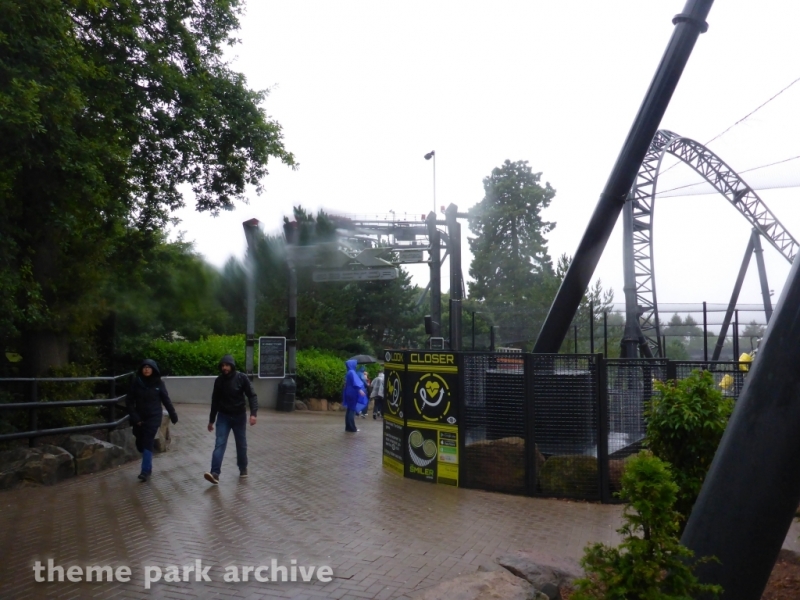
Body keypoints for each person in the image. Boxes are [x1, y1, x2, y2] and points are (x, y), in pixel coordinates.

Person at [204, 355, 258, 484]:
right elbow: (215, 401)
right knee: (220, 443)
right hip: (223, 417)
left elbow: (252, 395)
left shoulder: (241, 378)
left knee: (241, 443)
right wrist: (211, 420)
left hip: (239, 416)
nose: (225, 368)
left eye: (227, 365)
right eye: (223, 366)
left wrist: (253, 414)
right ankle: (215, 473)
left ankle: (243, 467)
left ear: (232, 366)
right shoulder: (219, 381)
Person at [126, 359, 178, 482]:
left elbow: (166, 400)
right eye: (144, 367)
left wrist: (173, 414)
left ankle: (144, 471)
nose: (147, 369)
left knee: (148, 441)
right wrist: (135, 418)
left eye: (149, 367)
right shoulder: (136, 383)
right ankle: (148, 466)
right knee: (140, 444)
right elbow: (129, 402)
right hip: (139, 417)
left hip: (154, 417)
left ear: (153, 369)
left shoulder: (159, 383)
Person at [342, 359, 366, 433]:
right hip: (353, 393)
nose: (356, 366)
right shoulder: (352, 372)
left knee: (349, 410)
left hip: (348, 392)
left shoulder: (348, 372)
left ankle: (348, 427)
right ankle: (352, 428)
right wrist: (360, 390)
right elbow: (355, 383)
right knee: (352, 410)